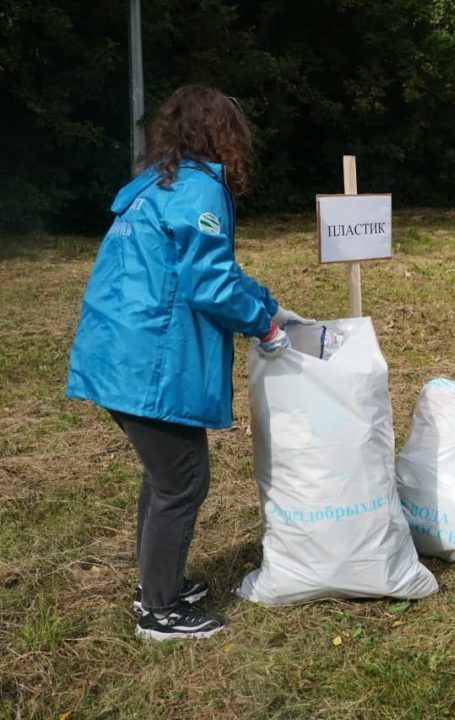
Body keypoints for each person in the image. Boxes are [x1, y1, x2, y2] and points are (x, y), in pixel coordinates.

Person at [66, 85, 313, 641]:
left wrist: (268, 302)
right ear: (222, 134)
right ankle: (159, 611)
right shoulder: (200, 188)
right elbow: (209, 282)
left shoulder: (157, 183)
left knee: (166, 476)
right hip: (149, 358)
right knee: (183, 480)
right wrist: (265, 327)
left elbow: (204, 268)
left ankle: (159, 586)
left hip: (117, 351)